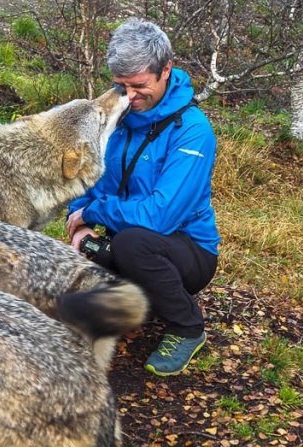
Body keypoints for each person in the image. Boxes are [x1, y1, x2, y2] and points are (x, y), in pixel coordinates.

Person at [65, 17, 221, 377]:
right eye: (121, 86)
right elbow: (87, 182)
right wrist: (78, 227)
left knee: (134, 243)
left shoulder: (193, 131)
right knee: (69, 300)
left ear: (166, 70)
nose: (130, 97)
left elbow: (159, 216)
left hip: (187, 251)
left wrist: (94, 212)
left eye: (138, 85)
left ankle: (187, 327)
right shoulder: (114, 120)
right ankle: (143, 301)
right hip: (124, 239)